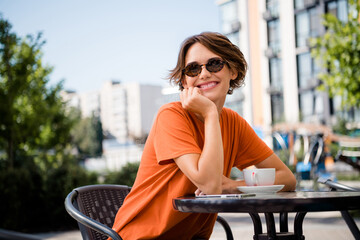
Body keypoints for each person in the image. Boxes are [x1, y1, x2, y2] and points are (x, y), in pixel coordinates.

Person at [111, 32, 296, 239]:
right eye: (193, 69)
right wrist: (209, 114)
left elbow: (286, 178)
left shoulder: (234, 123)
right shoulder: (171, 116)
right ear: (184, 80)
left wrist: (234, 186)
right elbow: (209, 186)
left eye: (214, 64)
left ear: (233, 70)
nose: (204, 73)